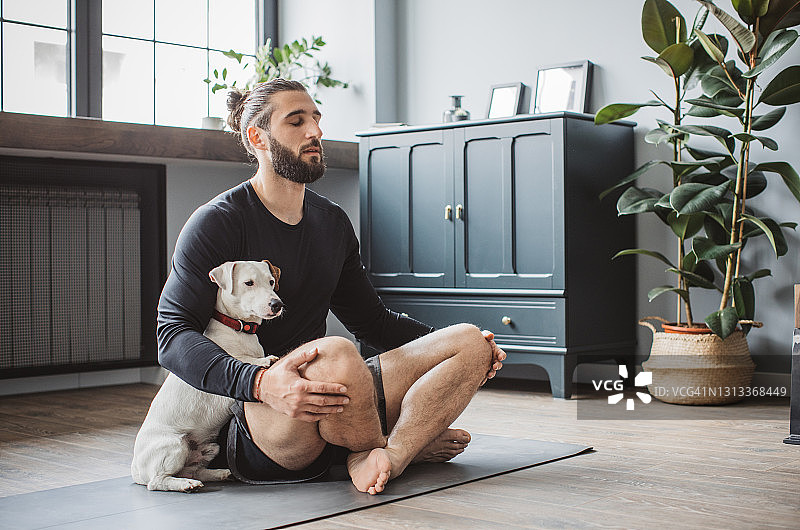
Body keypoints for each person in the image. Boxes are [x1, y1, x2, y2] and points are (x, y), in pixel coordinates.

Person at [156, 78, 506, 495]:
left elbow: (373, 322)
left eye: (317, 120)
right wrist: (260, 383)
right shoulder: (217, 221)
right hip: (261, 417)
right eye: (296, 121)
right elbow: (172, 336)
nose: (315, 132)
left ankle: (388, 455)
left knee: (468, 340)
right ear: (258, 138)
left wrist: (449, 343)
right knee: (336, 352)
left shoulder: (332, 222)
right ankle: (382, 446)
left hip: (337, 395)